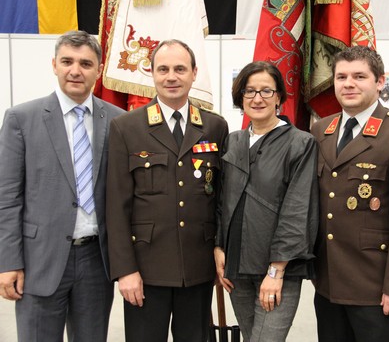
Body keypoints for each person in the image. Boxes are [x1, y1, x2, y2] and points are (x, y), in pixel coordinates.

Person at [0, 30, 124, 342]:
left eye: (85, 63)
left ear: (99, 68)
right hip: (38, 260)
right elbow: (7, 197)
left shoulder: (119, 121)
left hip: (96, 261)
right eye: (67, 61)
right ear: (54, 64)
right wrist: (8, 262)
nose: (75, 70)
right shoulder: (21, 119)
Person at [106, 39, 228, 342]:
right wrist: (125, 271)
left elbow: (223, 200)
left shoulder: (215, 127)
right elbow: (116, 206)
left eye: (179, 69)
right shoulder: (126, 128)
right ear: (151, 73)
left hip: (198, 267)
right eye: (163, 69)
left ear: (194, 73)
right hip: (146, 271)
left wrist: (222, 251)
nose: (171, 76)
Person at [310, 45, 389, 342]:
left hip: (377, 290)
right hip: (328, 284)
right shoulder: (320, 131)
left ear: (380, 81)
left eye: (359, 76)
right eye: (341, 77)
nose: (348, 84)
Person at [214, 61, 319, 342]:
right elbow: (222, 200)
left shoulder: (300, 143)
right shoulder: (232, 141)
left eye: (266, 91)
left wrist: (276, 270)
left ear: (280, 98)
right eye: (249, 91)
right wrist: (218, 246)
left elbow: (298, 210)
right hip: (236, 266)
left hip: (277, 270)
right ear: (240, 98)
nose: (257, 98)